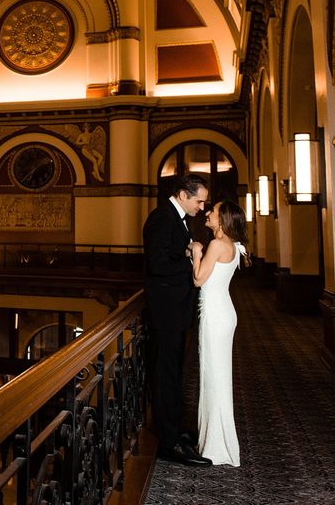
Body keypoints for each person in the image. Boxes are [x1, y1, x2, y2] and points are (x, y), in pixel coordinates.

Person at [143, 173, 211, 467]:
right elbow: (157, 264)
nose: (202, 206)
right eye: (199, 200)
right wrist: (189, 263)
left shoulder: (175, 217)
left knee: (174, 375)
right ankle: (168, 443)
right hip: (166, 312)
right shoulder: (162, 217)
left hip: (174, 311)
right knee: (165, 376)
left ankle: (177, 432)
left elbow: (168, 253)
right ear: (184, 195)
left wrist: (186, 251)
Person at [190, 200, 247, 467]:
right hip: (224, 312)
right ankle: (213, 440)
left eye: (213, 212)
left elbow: (198, 279)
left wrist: (197, 252)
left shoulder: (215, 245)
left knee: (213, 376)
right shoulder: (233, 246)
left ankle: (215, 445)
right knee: (218, 376)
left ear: (223, 220)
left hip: (215, 316)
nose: (208, 213)